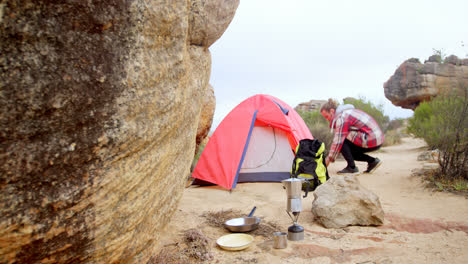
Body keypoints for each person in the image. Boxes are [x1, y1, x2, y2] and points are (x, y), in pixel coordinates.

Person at [320, 99, 384, 175]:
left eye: (326, 116)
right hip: (377, 140)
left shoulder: (342, 118)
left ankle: (352, 168)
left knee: (342, 141)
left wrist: (328, 159)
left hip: (371, 139)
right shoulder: (347, 112)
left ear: (332, 111)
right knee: (349, 150)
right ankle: (372, 161)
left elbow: (338, 141)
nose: (327, 119)